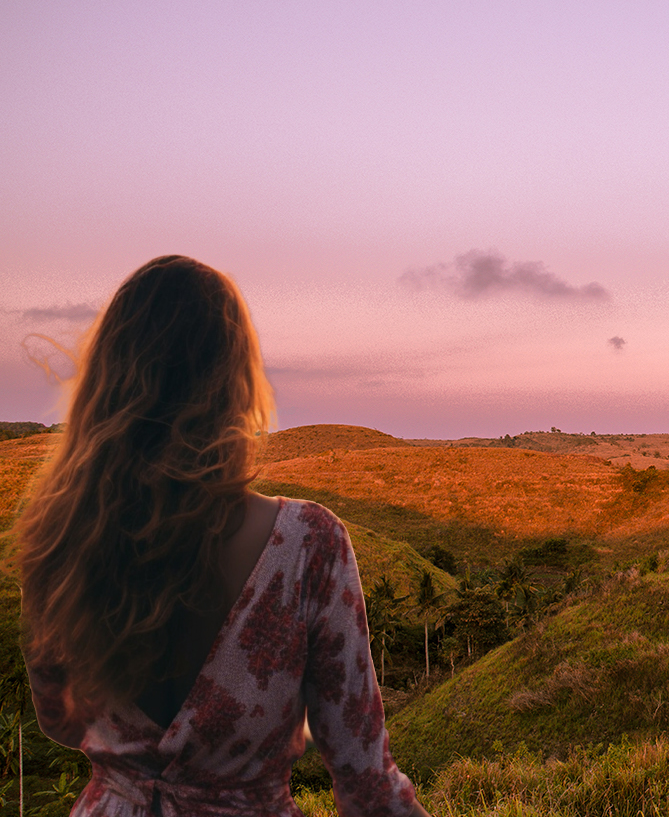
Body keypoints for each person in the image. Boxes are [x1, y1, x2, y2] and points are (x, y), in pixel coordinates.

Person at [17, 255, 429, 817]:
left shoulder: (60, 537)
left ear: (107, 383)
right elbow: (364, 780)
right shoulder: (308, 544)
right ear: (234, 381)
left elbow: (59, 720)